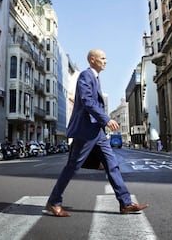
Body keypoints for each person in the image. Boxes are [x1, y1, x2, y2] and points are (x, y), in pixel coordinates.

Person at [43, 49, 149, 217]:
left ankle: (125, 203)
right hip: (86, 130)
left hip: (97, 131)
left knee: (112, 164)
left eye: (106, 58)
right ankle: (54, 202)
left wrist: (102, 122)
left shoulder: (95, 78)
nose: (106, 61)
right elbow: (87, 101)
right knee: (72, 166)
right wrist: (106, 119)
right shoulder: (86, 75)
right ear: (92, 60)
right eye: (102, 58)